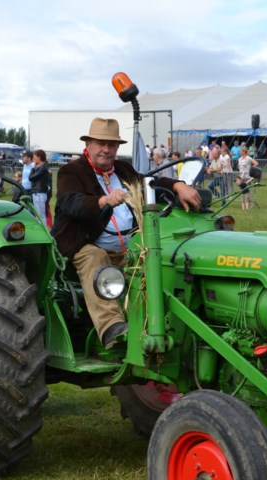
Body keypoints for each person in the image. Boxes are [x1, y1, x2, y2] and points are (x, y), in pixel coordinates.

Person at [52, 118, 201, 349]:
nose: (106, 149)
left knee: (158, 258)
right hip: (84, 245)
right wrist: (103, 201)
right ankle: (112, 328)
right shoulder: (71, 172)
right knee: (95, 259)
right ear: (88, 144)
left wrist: (177, 185)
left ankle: (158, 324)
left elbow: (149, 183)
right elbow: (71, 203)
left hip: (127, 247)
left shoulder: (122, 170)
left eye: (112, 145)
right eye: (101, 143)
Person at [29, 149, 51, 224]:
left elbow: (31, 178)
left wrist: (32, 168)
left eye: (35, 156)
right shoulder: (39, 167)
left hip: (40, 192)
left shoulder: (43, 168)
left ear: (39, 157)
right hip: (36, 192)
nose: (33, 158)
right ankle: (40, 229)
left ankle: (44, 230)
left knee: (41, 215)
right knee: (37, 214)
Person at [237, 145, 259, 211]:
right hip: (241, 177)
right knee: (242, 192)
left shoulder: (248, 158)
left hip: (247, 177)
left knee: (246, 192)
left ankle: (247, 207)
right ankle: (244, 205)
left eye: (240, 151)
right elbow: (239, 167)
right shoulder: (239, 159)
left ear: (243, 151)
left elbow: (256, 163)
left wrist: (251, 170)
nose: (239, 152)